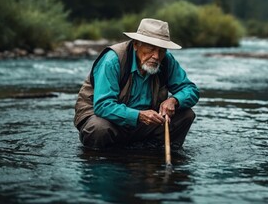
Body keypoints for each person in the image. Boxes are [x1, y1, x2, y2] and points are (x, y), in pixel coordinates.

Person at [74, 18, 199, 149]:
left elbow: (191, 89)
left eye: (161, 50)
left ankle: (153, 153)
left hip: (145, 123)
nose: (156, 56)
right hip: (108, 120)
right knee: (98, 128)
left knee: (186, 115)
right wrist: (139, 115)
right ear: (136, 44)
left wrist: (174, 100)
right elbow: (102, 106)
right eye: (151, 48)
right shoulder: (112, 60)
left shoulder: (166, 60)